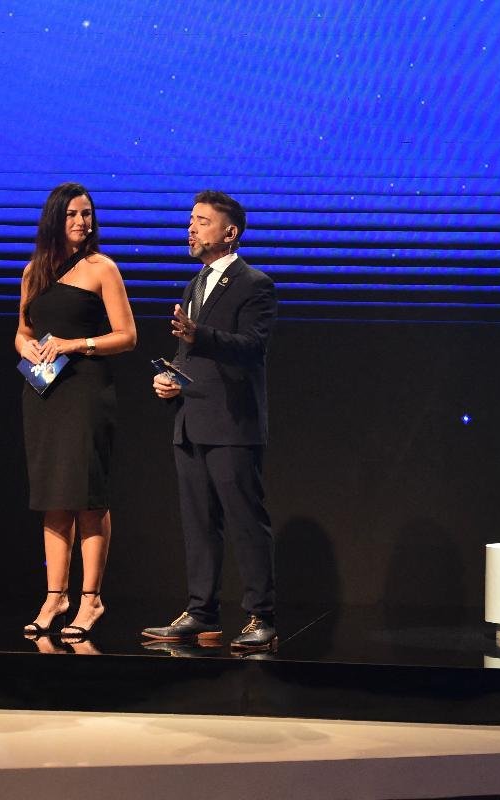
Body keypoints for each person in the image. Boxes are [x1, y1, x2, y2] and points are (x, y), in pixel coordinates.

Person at [142, 190, 279, 652]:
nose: (191, 228)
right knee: (198, 523)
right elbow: (190, 355)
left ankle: (262, 616)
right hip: (191, 420)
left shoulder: (254, 284)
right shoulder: (194, 284)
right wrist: (170, 379)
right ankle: (201, 612)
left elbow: (252, 347)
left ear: (230, 232)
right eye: (191, 220)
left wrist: (200, 334)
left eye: (202, 221)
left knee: (245, 521)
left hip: (232, 423)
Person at [17, 182, 137, 639]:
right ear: (54, 218)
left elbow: (126, 336)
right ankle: (55, 597)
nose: (82, 222)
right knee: (53, 496)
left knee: (87, 494)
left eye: (87, 214)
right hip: (44, 394)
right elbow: (22, 331)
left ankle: (91, 599)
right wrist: (26, 348)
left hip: (86, 391)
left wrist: (76, 344)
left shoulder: (101, 268)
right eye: (72, 214)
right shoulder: (34, 271)